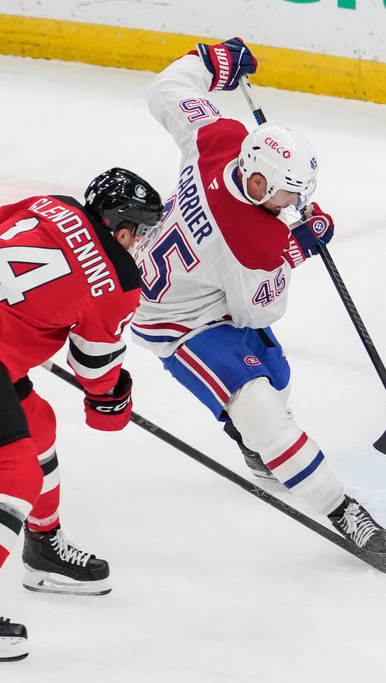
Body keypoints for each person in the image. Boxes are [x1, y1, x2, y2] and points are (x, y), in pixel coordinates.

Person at [130, 37, 386, 553]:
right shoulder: (254, 244)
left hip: (190, 277)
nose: (294, 202)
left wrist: (212, 61)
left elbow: (168, 88)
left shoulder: (220, 138)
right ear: (259, 178)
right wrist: (296, 248)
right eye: (288, 194)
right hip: (176, 319)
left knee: (276, 379)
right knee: (261, 409)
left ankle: (253, 446)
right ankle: (345, 510)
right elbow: (258, 309)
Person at [0, 167, 162, 661]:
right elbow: (95, 370)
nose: (140, 243)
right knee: (17, 475)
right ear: (121, 228)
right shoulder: (116, 278)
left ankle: (43, 547)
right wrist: (113, 404)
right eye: (141, 231)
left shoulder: (50, 204)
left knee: (37, 423)